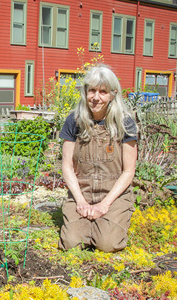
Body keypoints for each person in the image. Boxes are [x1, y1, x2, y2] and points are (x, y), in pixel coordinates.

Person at [58, 64, 138, 253]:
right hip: (82, 192)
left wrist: (105, 204)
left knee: (107, 244)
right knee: (71, 243)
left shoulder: (124, 122)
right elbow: (67, 166)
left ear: (113, 94)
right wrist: (80, 201)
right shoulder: (74, 120)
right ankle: (87, 226)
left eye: (103, 92)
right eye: (92, 90)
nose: (96, 97)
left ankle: (107, 224)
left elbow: (128, 172)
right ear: (85, 92)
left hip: (114, 195)